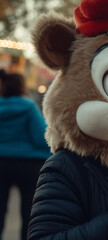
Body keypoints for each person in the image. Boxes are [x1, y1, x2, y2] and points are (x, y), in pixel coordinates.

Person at [0, 69, 51, 240]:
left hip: (1, 163)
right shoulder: (28, 107)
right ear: (21, 87)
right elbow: (40, 137)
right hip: (29, 165)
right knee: (29, 211)